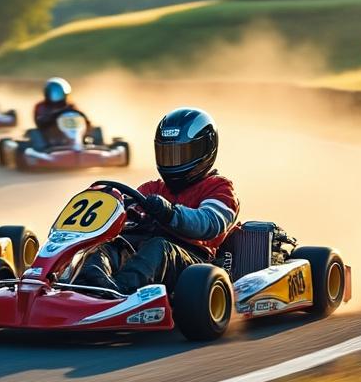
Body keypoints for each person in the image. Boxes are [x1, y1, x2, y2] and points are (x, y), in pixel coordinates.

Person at [76, 108, 239, 293]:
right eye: (167, 154)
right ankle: (86, 286)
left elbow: (210, 223)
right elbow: (128, 215)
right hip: (146, 254)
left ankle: (119, 293)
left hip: (193, 264)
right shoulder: (152, 189)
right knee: (110, 245)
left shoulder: (219, 188)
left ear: (205, 150)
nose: (172, 162)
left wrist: (169, 213)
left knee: (159, 246)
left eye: (180, 155)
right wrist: (125, 212)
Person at [32, 77, 90, 145]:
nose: (56, 96)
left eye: (58, 93)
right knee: (35, 134)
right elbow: (40, 122)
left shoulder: (70, 106)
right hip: (51, 136)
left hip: (71, 135)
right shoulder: (41, 107)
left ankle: (79, 142)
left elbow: (81, 119)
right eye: (54, 93)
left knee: (95, 132)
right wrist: (54, 117)